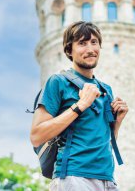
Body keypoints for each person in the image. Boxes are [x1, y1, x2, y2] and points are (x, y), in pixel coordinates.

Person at [30, 21, 128, 191]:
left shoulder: (106, 90)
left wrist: (117, 122)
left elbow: (103, 142)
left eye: (94, 42)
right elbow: (37, 135)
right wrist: (80, 105)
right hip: (73, 177)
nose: (90, 49)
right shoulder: (58, 82)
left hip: (107, 179)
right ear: (69, 50)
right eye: (82, 43)